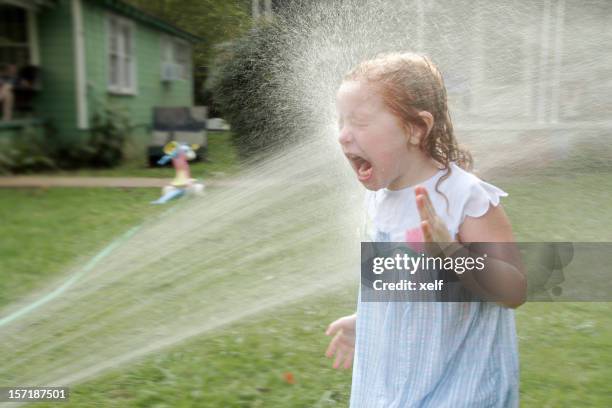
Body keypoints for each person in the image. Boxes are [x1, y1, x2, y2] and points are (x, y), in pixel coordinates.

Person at [325, 52, 527, 407]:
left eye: (358, 122)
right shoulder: (380, 201)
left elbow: (514, 290)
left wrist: (453, 254)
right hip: (399, 384)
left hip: (459, 384)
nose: (343, 136)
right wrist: (369, 320)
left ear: (416, 128)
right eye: (341, 121)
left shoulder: (465, 198)